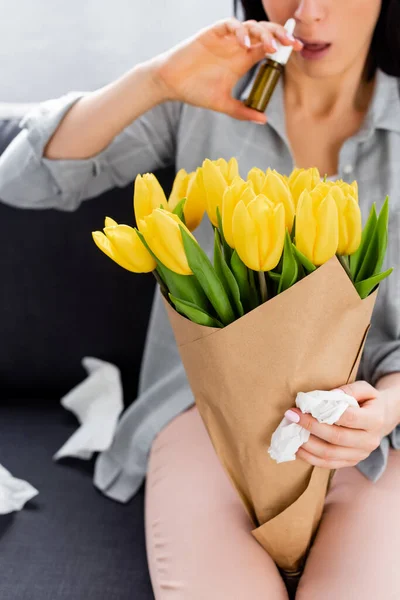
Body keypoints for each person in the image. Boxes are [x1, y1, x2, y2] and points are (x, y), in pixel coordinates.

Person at [1, 1, 400, 597]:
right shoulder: (211, 95)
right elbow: (20, 178)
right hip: (204, 417)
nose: (310, 13)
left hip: (367, 435)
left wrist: (387, 409)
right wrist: (158, 80)